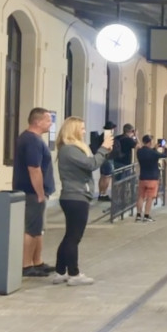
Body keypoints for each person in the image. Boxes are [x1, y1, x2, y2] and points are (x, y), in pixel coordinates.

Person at [54, 117, 112, 285]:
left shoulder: (71, 149)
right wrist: (103, 149)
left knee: (69, 235)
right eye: (82, 128)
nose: (84, 131)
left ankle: (60, 271)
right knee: (74, 237)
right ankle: (74, 274)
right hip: (76, 196)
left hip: (74, 196)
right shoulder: (70, 150)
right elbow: (91, 164)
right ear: (73, 130)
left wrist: (104, 151)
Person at [13, 108, 55, 277]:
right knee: (31, 228)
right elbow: (34, 169)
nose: (51, 123)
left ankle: (37, 261)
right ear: (37, 122)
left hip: (35, 192)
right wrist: (39, 193)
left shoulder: (33, 139)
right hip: (32, 192)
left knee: (38, 228)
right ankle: (26, 265)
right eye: (48, 120)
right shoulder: (32, 141)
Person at [135, 135, 167, 222]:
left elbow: (147, 152)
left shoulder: (139, 152)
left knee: (141, 196)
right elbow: (165, 155)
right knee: (150, 197)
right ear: (150, 142)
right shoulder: (153, 153)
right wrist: (165, 148)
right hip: (152, 178)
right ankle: (146, 215)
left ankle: (138, 215)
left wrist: (154, 149)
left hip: (142, 177)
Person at [92, 120, 115, 201]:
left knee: (102, 176)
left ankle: (100, 193)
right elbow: (110, 148)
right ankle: (104, 193)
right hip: (108, 158)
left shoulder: (102, 135)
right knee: (107, 177)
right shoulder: (109, 137)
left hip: (102, 158)